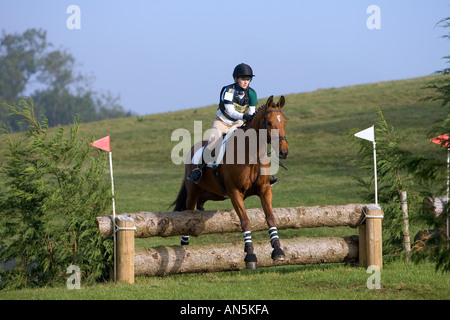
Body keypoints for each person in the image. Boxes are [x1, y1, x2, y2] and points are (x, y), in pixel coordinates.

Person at [187, 63, 278, 186]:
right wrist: (244, 116)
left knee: (254, 143)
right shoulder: (229, 90)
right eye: (243, 79)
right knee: (213, 142)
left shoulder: (251, 93)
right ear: (235, 78)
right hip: (222, 121)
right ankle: (198, 170)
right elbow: (230, 111)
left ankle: (265, 174)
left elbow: (251, 112)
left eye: (248, 79)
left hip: (238, 123)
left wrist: (249, 120)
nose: (246, 82)